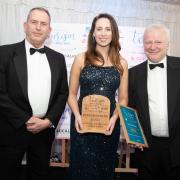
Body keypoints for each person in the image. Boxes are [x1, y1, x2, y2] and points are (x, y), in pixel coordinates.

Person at [0, 7, 68, 180]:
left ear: (49, 30)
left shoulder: (58, 58)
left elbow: (62, 94)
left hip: (44, 131)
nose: (38, 27)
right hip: (12, 129)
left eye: (43, 24)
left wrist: (48, 121)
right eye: (34, 22)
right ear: (25, 25)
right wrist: (25, 119)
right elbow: (1, 93)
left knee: (40, 175)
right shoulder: (4, 53)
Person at [68, 13, 128, 180]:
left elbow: (123, 98)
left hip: (108, 126)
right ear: (93, 33)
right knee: (81, 170)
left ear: (113, 33)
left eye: (107, 29)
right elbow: (71, 95)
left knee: (104, 169)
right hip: (83, 125)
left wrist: (114, 118)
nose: (103, 33)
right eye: (99, 29)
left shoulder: (121, 63)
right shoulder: (81, 59)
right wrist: (77, 116)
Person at [128, 24, 180, 180]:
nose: (152, 47)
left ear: (167, 44)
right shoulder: (133, 74)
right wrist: (134, 136)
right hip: (146, 150)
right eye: (148, 42)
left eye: (158, 42)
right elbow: (130, 110)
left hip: (177, 148)